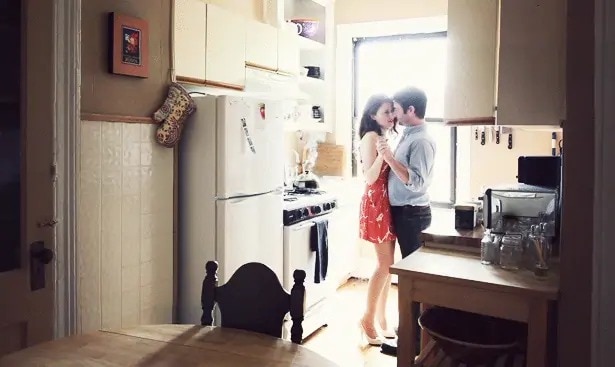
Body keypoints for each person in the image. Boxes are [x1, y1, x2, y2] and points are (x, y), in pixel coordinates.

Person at [377, 86, 436, 355]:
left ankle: (411, 345)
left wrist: (388, 157)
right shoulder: (409, 135)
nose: (395, 115)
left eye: (398, 110)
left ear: (411, 110)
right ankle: (409, 340)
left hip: (413, 215)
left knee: (413, 282)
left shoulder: (421, 140)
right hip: (405, 214)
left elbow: (417, 182)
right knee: (409, 280)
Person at [357, 94, 398, 346]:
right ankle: (367, 319)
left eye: (392, 111)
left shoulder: (383, 137)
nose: (391, 116)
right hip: (376, 203)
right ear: (373, 115)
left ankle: (383, 320)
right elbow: (369, 177)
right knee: (384, 266)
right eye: (386, 111)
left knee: (388, 265)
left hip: (386, 203)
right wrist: (384, 154)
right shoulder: (371, 138)